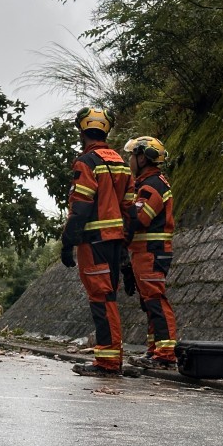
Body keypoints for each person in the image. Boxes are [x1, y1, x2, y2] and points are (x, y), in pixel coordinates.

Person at [60, 107, 135, 377]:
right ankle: (111, 357)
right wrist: (125, 252)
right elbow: (129, 210)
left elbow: (80, 206)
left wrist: (68, 241)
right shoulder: (121, 163)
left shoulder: (87, 162)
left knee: (101, 299)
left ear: (82, 131)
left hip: (94, 241)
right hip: (115, 242)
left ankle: (107, 361)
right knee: (108, 297)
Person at [122, 136, 178, 370]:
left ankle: (165, 354)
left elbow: (141, 218)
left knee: (155, 300)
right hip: (144, 252)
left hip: (151, 251)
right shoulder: (146, 183)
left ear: (143, 157)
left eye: (132, 156)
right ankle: (155, 350)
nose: (129, 161)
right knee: (149, 302)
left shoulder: (152, 185)